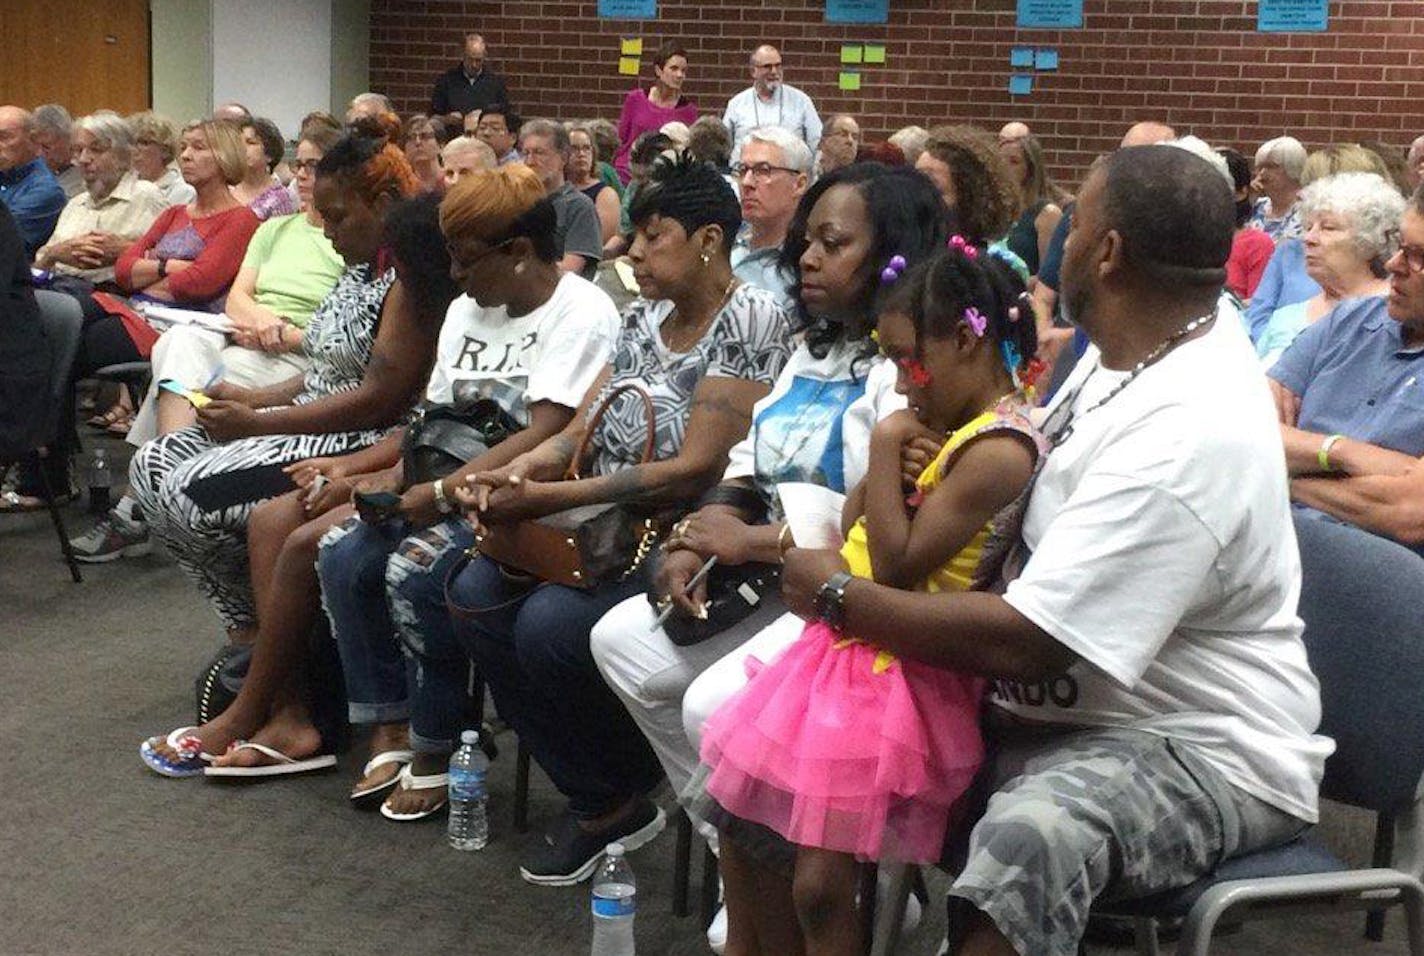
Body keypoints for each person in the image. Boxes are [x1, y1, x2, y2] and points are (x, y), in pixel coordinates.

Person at [761, 143, 1330, 956]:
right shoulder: (1127, 345)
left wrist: (835, 595)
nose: (1056, 241)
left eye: (1078, 221)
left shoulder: (1191, 425)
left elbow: (1028, 642)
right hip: (1056, 712)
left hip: (1199, 743)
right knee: (788, 766)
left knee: (1030, 838)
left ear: (1108, 251)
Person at [590, 163, 951, 948]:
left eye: (835, 242)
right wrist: (700, 534)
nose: (810, 259)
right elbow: (750, 459)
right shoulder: (811, 350)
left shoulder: (909, 374)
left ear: (892, 251)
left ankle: (833, 876)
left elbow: (882, 534)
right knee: (618, 640)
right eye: (807, 242)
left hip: (849, 590)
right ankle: (750, 856)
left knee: (712, 707)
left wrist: (749, 540)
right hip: (770, 577)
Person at [430, 154, 794, 884]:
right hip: (605, 527)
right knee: (471, 591)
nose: (633, 253)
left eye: (653, 236)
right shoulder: (642, 316)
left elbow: (697, 469)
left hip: (695, 538)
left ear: (709, 242)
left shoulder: (752, 317)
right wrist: (516, 471)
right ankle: (603, 792)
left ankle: (615, 792)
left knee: (548, 626)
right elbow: (577, 432)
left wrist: (547, 499)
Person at [698, 243, 1044, 956]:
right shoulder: (942, 428)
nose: (900, 381)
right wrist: (888, 468)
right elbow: (858, 518)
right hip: (843, 653)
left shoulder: (1001, 448)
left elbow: (892, 564)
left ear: (966, 339)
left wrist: (887, 445)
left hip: (901, 677)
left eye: (907, 359)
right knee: (741, 822)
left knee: (821, 888)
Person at [313, 165, 622, 807]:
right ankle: (388, 724)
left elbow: (546, 435)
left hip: (515, 495)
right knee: (342, 552)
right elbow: (435, 422)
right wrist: (393, 484)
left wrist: (442, 493)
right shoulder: (465, 310)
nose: (453, 275)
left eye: (465, 258)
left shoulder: (582, 310)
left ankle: (444, 737)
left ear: (517, 253)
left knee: (414, 570)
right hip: (446, 479)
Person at [127, 115, 437, 660]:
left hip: (359, 439)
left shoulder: (404, 279)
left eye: (337, 216)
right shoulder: (359, 266)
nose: (325, 229)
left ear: (385, 204)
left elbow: (377, 401)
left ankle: (275, 649)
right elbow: (322, 365)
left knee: (185, 488)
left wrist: (260, 423)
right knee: (152, 464)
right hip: (311, 412)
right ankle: (254, 629)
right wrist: (255, 399)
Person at [70, 122, 349, 561]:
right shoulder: (275, 230)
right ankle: (168, 485)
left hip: (295, 354)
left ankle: (138, 507)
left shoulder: (350, 240)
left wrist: (283, 331)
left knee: (174, 380)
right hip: (240, 337)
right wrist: (257, 320)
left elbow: (347, 322)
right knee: (180, 344)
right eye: (300, 166)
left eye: (316, 167)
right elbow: (237, 297)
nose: (302, 177)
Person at [1268, 184, 1424, 541]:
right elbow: (1246, 428)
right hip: (1271, 545)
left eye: (1419, 257)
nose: (1392, 265)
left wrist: (1285, 475)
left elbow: (1408, 513)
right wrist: (1339, 452)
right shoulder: (1350, 320)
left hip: (1380, 577)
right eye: (1400, 246)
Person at [1245, 143, 1399, 343]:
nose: (1304, 194)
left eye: (1329, 227)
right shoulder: (1289, 252)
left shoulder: (1391, 289)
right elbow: (1259, 317)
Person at [1256, 173, 1403, 366]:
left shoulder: (1396, 312)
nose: (1309, 238)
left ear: (1370, 240)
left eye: (1328, 228)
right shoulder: (1286, 317)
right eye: (1308, 227)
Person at [33, 111, 167, 287]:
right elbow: (36, 271)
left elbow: (172, 261)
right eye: (78, 150)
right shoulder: (76, 204)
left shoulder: (146, 195)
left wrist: (127, 250)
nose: (84, 159)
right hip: (58, 287)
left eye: (96, 149)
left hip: (112, 294)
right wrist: (53, 254)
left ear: (124, 154)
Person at [729, 126, 810, 307]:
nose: (747, 182)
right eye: (742, 170)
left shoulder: (809, 263)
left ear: (799, 184)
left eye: (763, 170)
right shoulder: (724, 245)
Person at [916, 126, 1021, 256]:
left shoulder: (989, 267)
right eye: (915, 184)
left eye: (935, 190)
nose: (918, 197)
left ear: (969, 198)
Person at [518, 118, 603, 279]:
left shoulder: (579, 206)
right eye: (526, 153)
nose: (530, 162)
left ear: (563, 158)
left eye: (539, 153)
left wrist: (519, 272)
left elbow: (569, 271)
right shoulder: (518, 203)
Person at [613, 41, 697, 182]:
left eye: (683, 71)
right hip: (627, 173)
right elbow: (621, 139)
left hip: (663, 179)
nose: (679, 75)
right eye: (674, 68)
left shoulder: (688, 111)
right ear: (659, 70)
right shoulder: (635, 99)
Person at [722, 45, 822, 160]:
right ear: (753, 71)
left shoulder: (801, 101)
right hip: (744, 173)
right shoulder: (736, 104)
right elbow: (724, 147)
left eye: (778, 66)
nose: (774, 72)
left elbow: (817, 144)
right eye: (767, 67)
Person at [0, 105, 67, 254]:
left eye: (4, 137)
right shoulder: (4, 174)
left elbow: (4, 240)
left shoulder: (45, 190)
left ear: (33, 140)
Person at [999, 134, 1065, 276]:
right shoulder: (995, 210)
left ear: (1030, 169)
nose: (1004, 167)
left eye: (1014, 161)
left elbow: (1048, 278)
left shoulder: (1048, 214)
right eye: (1000, 161)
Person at [1218, 147, 1277, 302]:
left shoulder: (1257, 244)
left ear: (1241, 192)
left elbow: (1258, 305)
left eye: (1219, 186)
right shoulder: (1187, 239)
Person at [431, 33, 511, 127]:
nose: (474, 65)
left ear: (484, 56)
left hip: (485, 139)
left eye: (478, 60)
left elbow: (506, 118)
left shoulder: (496, 83)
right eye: (470, 59)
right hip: (454, 137)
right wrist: (447, 119)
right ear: (462, 55)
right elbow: (433, 119)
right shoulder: (446, 81)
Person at [566, 123, 621, 247]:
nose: (581, 154)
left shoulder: (605, 194)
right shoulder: (557, 189)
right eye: (574, 148)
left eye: (586, 148)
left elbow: (598, 240)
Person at [234, 118, 298, 220]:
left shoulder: (280, 199)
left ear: (269, 155)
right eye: (238, 142)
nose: (242, 148)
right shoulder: (226, 189)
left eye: (251, 143)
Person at [128, 111, 197, 205]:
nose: (135, 149)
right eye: (131, 142)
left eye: (144, 143)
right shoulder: (126, 185)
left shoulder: (184, 191)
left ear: (165, 150)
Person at [1249, 136, 1307, 242]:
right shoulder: (1256, 206)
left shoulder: (1308, 210)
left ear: (1292, 168)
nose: (1262, 173)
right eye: (1260, 167)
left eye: (1270, 167)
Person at [32, 104, 83, 198]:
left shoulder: (85, 172)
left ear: (69, 140)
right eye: (35, 145)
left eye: (46, 147)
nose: (38, 153)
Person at [401, 114, 444, 194]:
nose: (418, 142)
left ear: (441, 145)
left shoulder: (451, 182)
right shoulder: (400, 187)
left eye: (425, 136)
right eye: (412, 137)